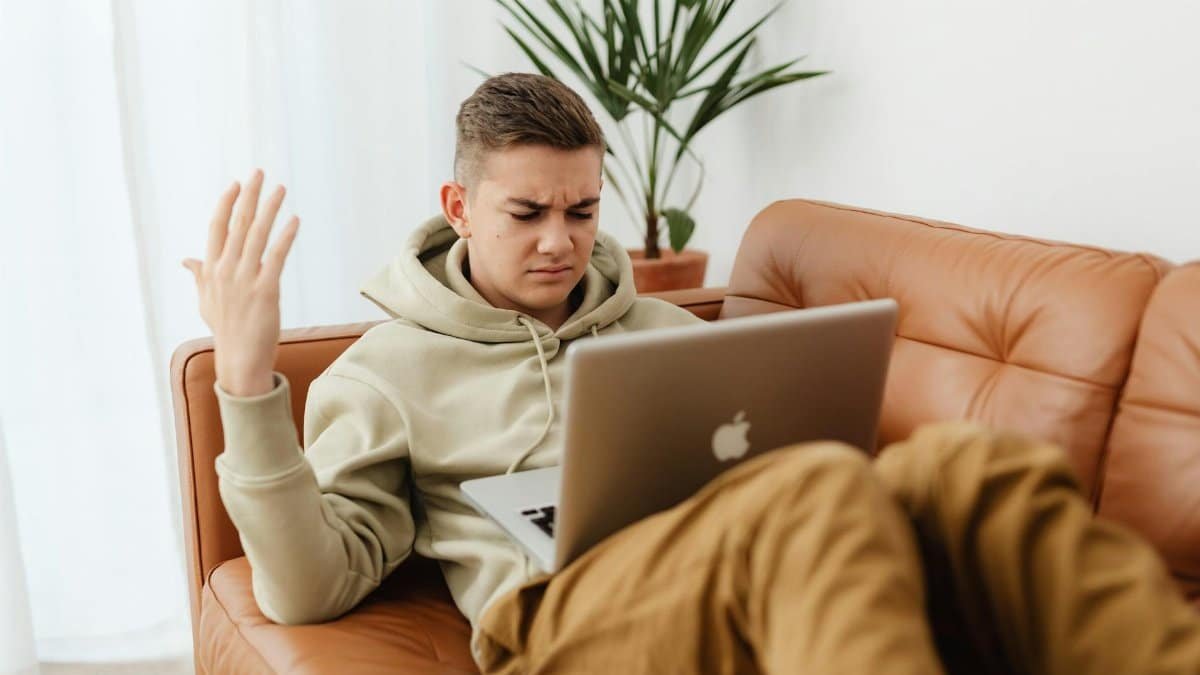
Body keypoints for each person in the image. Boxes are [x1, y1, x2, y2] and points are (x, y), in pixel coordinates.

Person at [182, 73, 1200, 674]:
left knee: (973, 471)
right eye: (526, 214)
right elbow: (310, 588)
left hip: (722, 559)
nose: (560, 243)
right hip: (556, 619)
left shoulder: (668, 327)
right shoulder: (385, 370)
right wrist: (247, 381)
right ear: (458, 204)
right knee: (819, 490)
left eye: (581, 212)